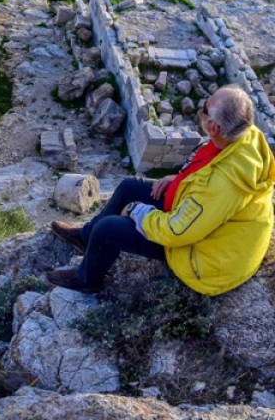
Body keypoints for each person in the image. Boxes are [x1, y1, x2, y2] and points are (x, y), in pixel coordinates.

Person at [46, 85, 274, 295]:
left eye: (205, 108)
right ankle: (86, 238)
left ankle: (86, 280)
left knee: (108, 230)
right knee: (128, 187)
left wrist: (137, 211)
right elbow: (208, 173)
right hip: (208, 227)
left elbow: (177, 232)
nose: (201, 109)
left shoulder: (222, 186)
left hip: (203, 257)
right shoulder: (244, 134)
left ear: (213, 127)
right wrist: (179, 179)